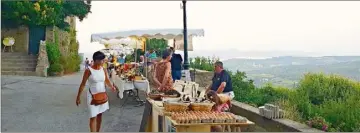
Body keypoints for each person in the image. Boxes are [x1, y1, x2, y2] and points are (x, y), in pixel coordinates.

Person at [76, 51, 116, 132]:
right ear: (96, 60)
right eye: (102, 60)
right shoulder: (88, 70)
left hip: (102, 96)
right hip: (92, 97)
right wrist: (78, 97)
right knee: (93, 116)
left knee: (100, 115)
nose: (103, 61)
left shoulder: (103, 69)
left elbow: (107, 80)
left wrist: (112, 87)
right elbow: (83, 84)